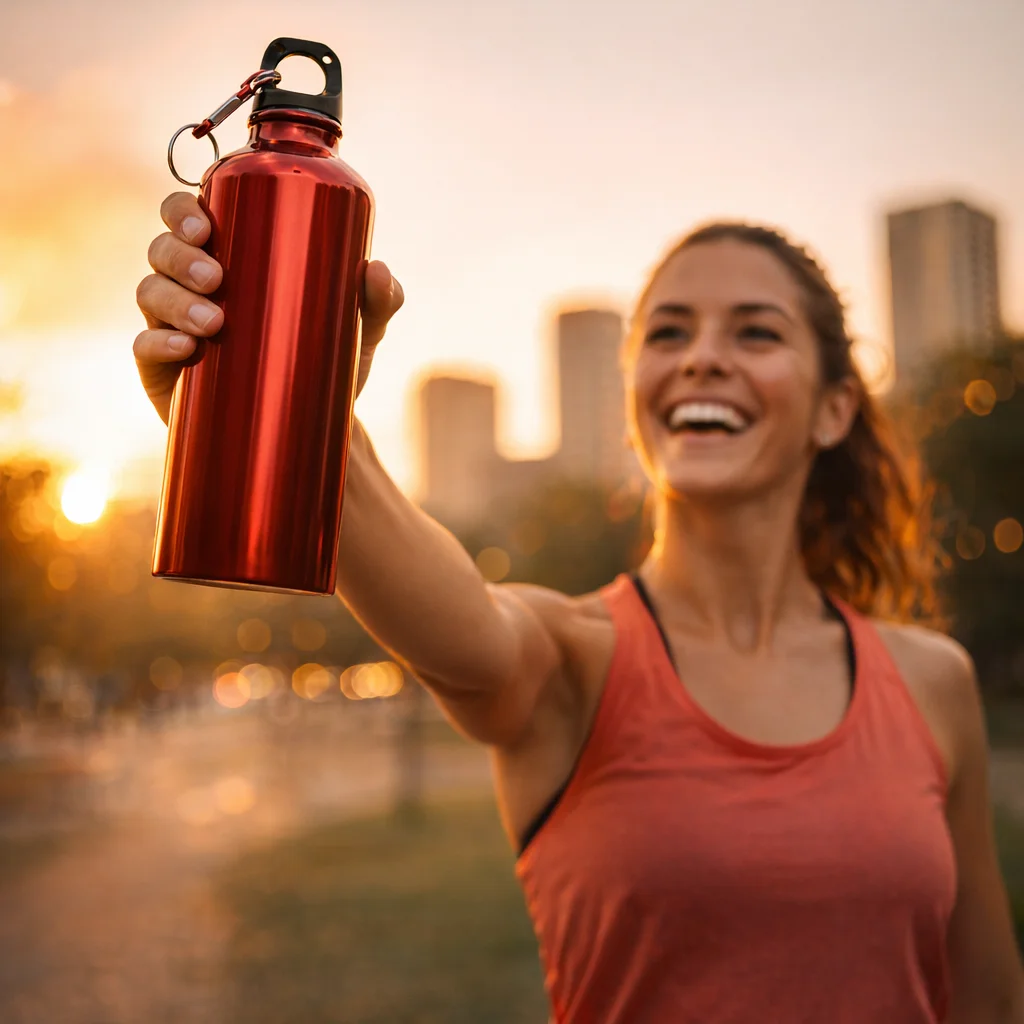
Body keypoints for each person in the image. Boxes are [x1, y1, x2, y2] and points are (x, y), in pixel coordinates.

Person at [135, 194, 1024, 1023]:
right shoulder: (570, 659)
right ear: (637, 405)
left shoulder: (931, 680)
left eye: (756, 333)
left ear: (834, 410)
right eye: (668, 334)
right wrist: (291, 392)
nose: (702, 357)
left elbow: (987, 1000)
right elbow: (462, 621)